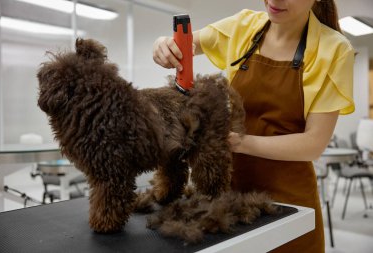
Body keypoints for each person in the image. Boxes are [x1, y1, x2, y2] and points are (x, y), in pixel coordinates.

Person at [152, 0, 355, 252]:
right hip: (230, 194)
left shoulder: (333, 49)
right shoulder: (243, 26)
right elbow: (186, 43)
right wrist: (163, 45)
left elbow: (313, 144)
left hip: (290, 201)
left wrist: (239, 142)